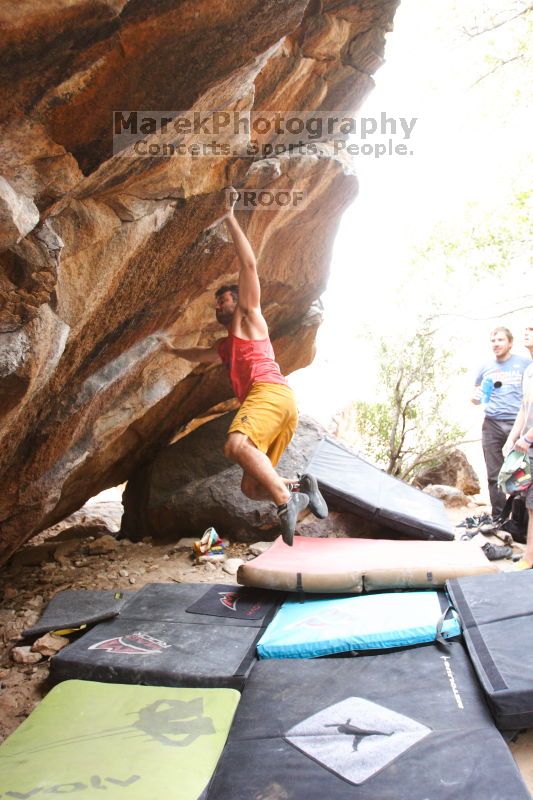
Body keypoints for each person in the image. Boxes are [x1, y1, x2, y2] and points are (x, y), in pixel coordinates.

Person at [158, 189, 327, 546]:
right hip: (282, 407)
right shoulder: (226, 345)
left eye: (225, 300)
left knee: (234, 446)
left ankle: (285, 501)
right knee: (251, 487)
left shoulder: (249, 317)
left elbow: (249, 265)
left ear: (238, 302)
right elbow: (200, 356)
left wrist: (231, 215)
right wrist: (172, 350)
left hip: (269, 392)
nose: (219, 306)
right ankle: (300, 487)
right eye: (217, 303)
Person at [471, 327, 530, 520]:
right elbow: (477, 396)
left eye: (500, 340)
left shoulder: (525, 364)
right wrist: (475, 398)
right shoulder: (485, 367)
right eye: (493, 340)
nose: (496, 344)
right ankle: (499, 517)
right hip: (492, 424)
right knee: (494, 474)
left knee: (519, 474)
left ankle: (518, 520)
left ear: (510, 343)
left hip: (517, 424)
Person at [503, 324, 533, 569]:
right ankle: (529, 558)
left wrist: (528, 438)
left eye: (532, 329)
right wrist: (512, 437)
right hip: (528, 449)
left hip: (531, 444)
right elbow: (524, 407)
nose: (527, 331)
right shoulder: (529, 370)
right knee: (530, 504)